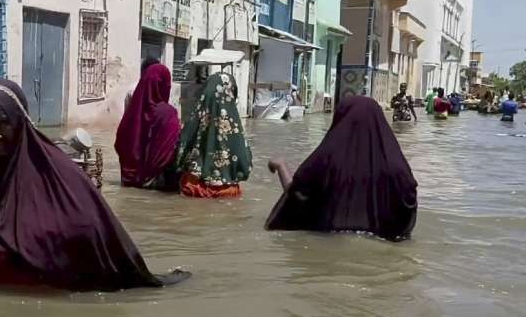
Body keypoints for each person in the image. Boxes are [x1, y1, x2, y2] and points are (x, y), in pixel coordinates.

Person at [0, 79, 190, 292]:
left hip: (40, 299)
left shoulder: (59, 174)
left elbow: (87, 226)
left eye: (1, 124)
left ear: (18, 121)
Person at [265, 96, 418, 242]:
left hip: (326, 248)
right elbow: (407, 212)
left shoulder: (324, 160)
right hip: (379, 256)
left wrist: (281, 166)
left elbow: (296, 200)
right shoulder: (396, 167)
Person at [175, 72, 252, 198]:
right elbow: (246, 166)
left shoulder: (193, 123)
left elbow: (179, 154)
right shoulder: (236, 130)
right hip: (227, 192)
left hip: (193, 189)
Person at [115, 63, 181, 190]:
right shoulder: (168, 113)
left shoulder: (130, 115)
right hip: (157, 185)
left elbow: (120, 144)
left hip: (129, 181)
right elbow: (168, 154)